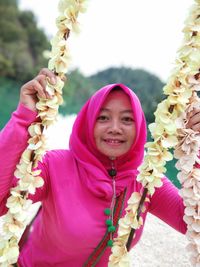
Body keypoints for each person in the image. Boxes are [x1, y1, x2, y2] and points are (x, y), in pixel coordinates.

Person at [0, 68, 199, 267]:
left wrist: (195, 150)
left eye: (127, 119)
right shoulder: (54, 166)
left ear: (139, 127)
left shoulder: (147, 180)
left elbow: (192, 223)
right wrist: (23, 118)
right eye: (103, 117)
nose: (115, 127)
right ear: (88, 123)